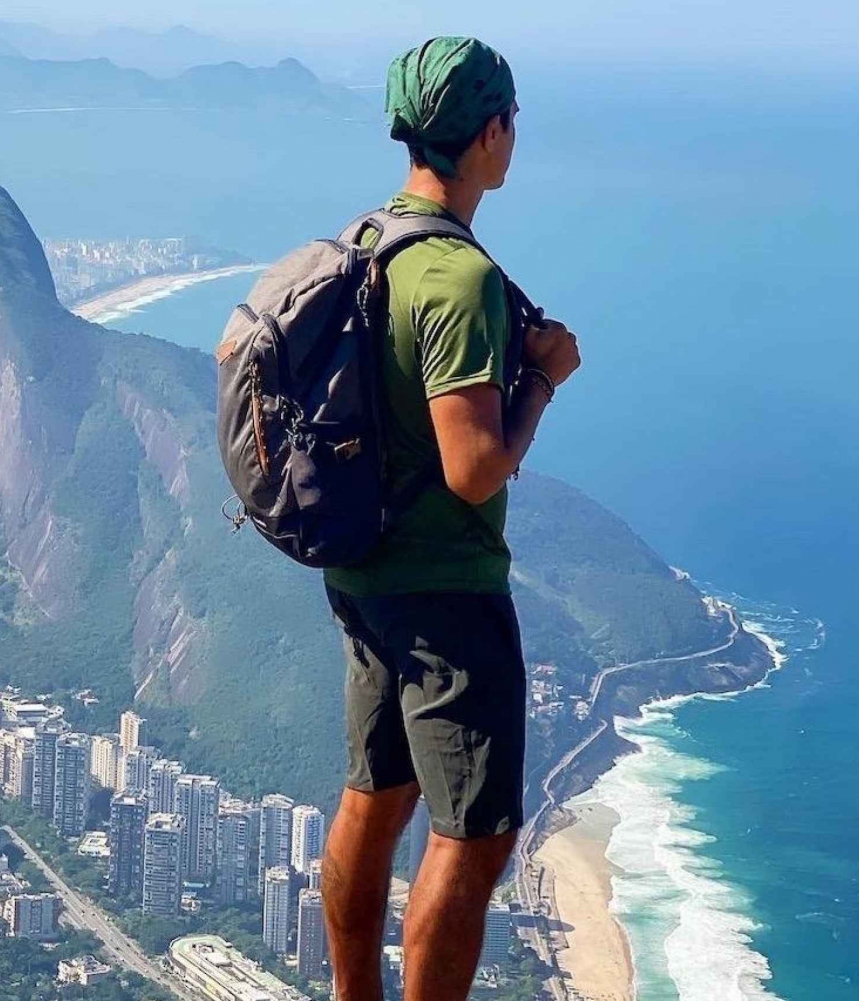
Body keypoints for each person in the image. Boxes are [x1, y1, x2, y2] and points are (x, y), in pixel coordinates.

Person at [319, 37, 582, 1001]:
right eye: (509, 121)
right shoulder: (458, 279)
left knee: (373, 796)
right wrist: (545, 380)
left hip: (362, 577)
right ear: (488, 132)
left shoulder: (364, 242)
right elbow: (473, 470)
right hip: (446, 594)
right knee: (474, 835)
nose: (513, 138)